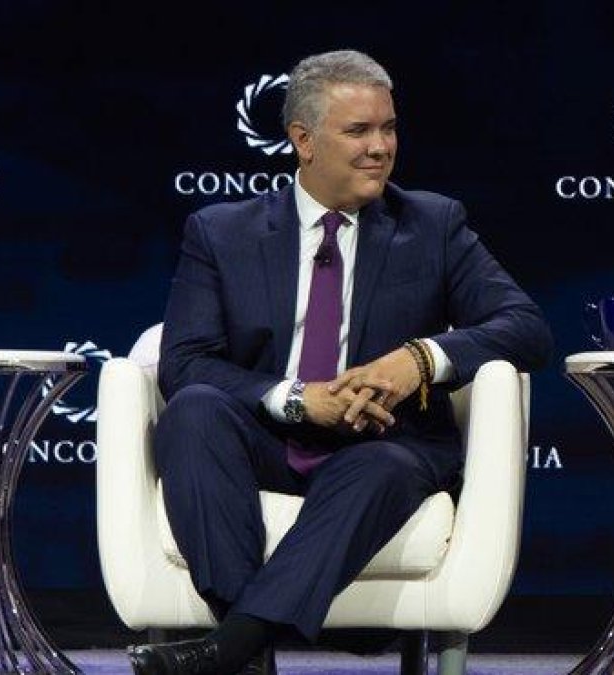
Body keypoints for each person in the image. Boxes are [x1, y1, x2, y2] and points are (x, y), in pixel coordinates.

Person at [126, 49, 553, 675]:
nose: (380, 147)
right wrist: (299, 399)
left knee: (381, 468)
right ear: (303, 140)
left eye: (389, 128)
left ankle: (231, 651)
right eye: (358, 131)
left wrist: (420, 359)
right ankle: (245, 649)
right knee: (193, 412)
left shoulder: (432, 224)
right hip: (268, 437)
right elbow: (186, 363)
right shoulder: (222, 232)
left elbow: (527, 329)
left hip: (383, 444)